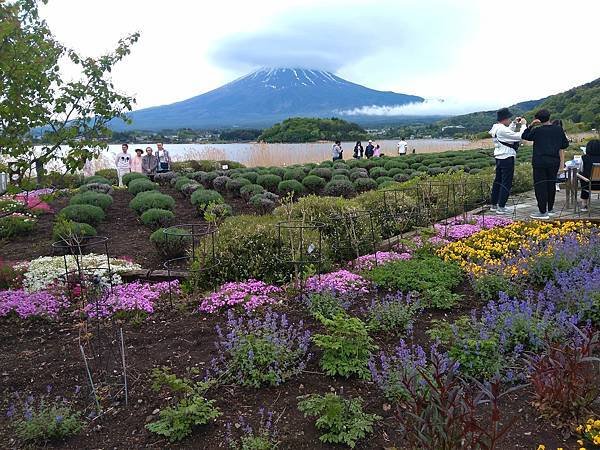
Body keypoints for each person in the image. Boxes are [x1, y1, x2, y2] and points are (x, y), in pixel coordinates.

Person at [521, 109, 569, 219]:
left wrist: (530, 125)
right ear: (549, 117)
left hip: (540, 162)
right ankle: (550, 209)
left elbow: (525, 136)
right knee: (551, 185)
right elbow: (565, 144)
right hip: (554, 162)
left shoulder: (537, 130)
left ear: (537, 119)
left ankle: (542, 211)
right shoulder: (558, 129)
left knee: (540, 186)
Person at [488, 107, 527, 214]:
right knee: (506, 182)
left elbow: (507, 132)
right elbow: (519, 136)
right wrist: (523, 125)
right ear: (505, 118)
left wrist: (514, 124)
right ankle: (501, 206)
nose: (510, 120)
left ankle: (494, 204)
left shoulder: (496, 128)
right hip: (507, 157)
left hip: (499, 157)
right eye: (509, 118)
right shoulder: (502, 129)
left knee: (498, 181)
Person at [579, 139, 600, 212]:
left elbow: (581, 170)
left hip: (588, 185)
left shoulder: (584, 158)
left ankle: (584, 204)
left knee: (583, 176)